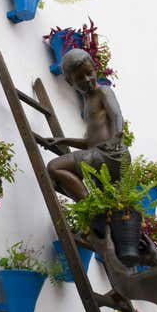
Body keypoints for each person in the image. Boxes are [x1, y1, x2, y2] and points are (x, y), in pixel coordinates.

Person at [43, 49, 128, 201]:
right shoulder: (87, 103)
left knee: (55, 167)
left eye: (89, 73)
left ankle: (91, 208)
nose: (87, 79)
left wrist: (117, 135)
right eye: (80, 77)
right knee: (111, 202)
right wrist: (62, 141)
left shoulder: (103, 91)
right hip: (100, 153)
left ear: (95, 68)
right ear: (70, 82)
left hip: (109, 154)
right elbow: (90, 142)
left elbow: (116, 115)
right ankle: (100, 216)